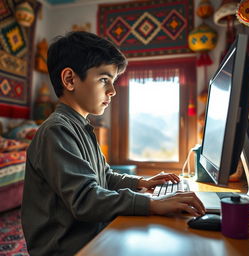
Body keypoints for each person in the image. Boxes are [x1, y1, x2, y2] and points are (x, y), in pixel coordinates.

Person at [21, 31, 205, 256]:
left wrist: (141, 182)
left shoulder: (81, 126)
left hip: (88, 234)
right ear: (70, 79)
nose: (113, 90)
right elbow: (85, 199)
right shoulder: (57, 131)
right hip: (65, 247)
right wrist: (153, 204)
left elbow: (104, 176)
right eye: (103, 79)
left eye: (113, 81)